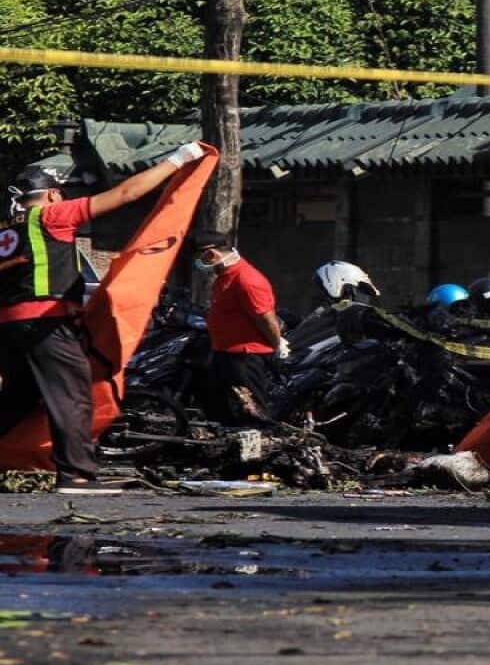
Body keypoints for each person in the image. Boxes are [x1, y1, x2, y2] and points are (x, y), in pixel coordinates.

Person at [0, 142, 208, 494]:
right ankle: (76, 475)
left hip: (10, 326)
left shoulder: (7, 232)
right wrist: (179, 160)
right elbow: (126, 192)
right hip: (44, 323)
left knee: (18, 399)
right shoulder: (54, 217)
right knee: (74, 394)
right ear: (52, 195)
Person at [192, 231, 286, 426]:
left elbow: (266, 320)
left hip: (245, 357)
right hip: (225, 353)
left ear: (211, 254)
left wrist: (277, 345)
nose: (197, 262)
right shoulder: (223, 277)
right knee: (221, 408)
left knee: (251, 412)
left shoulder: (246, 280)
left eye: (199, 255)